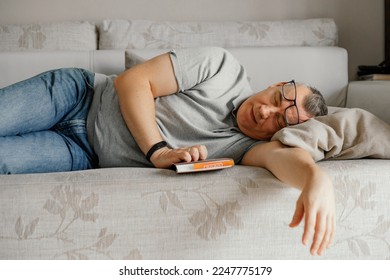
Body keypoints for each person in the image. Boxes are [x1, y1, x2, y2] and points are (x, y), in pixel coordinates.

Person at [0, 47, 335, 256]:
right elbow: (132, 81)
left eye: (279, 121)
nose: (265, 114)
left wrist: (315, 180)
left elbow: (287, 158)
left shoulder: (248, 148)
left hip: (83, 153)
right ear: (276, 86)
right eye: (276, 102)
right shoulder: (221, 68)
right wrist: (157, 150)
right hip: (79, 95)